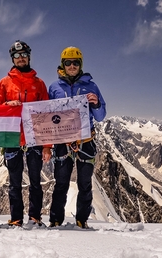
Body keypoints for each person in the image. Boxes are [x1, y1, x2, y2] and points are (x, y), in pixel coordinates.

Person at [0, 40, 52, 227]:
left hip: (34, 138)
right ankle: (16, 218)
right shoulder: (4, 83)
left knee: (35, 181)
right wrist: (5, 106)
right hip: (12, 137)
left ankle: (35, 217)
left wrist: (47, 146)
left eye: (23, 55)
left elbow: (47, 115)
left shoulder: (39, 84)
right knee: (15, 182)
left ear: (29, 57)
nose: (20, 58)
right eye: (17, 56)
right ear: (12, 58)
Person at [48, 46, 106, 228]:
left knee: (85, 183)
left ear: (80, 64)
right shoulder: (54, 87)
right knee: (61, 183)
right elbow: (47, 115)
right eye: (68, 63)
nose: (72, 66)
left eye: (75, 63)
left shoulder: (92, 87)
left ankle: (82, 219)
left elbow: (101, 116)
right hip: (63, 141)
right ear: (63, 64)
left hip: (85, 140)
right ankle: (56, 219)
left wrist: (96, 104)